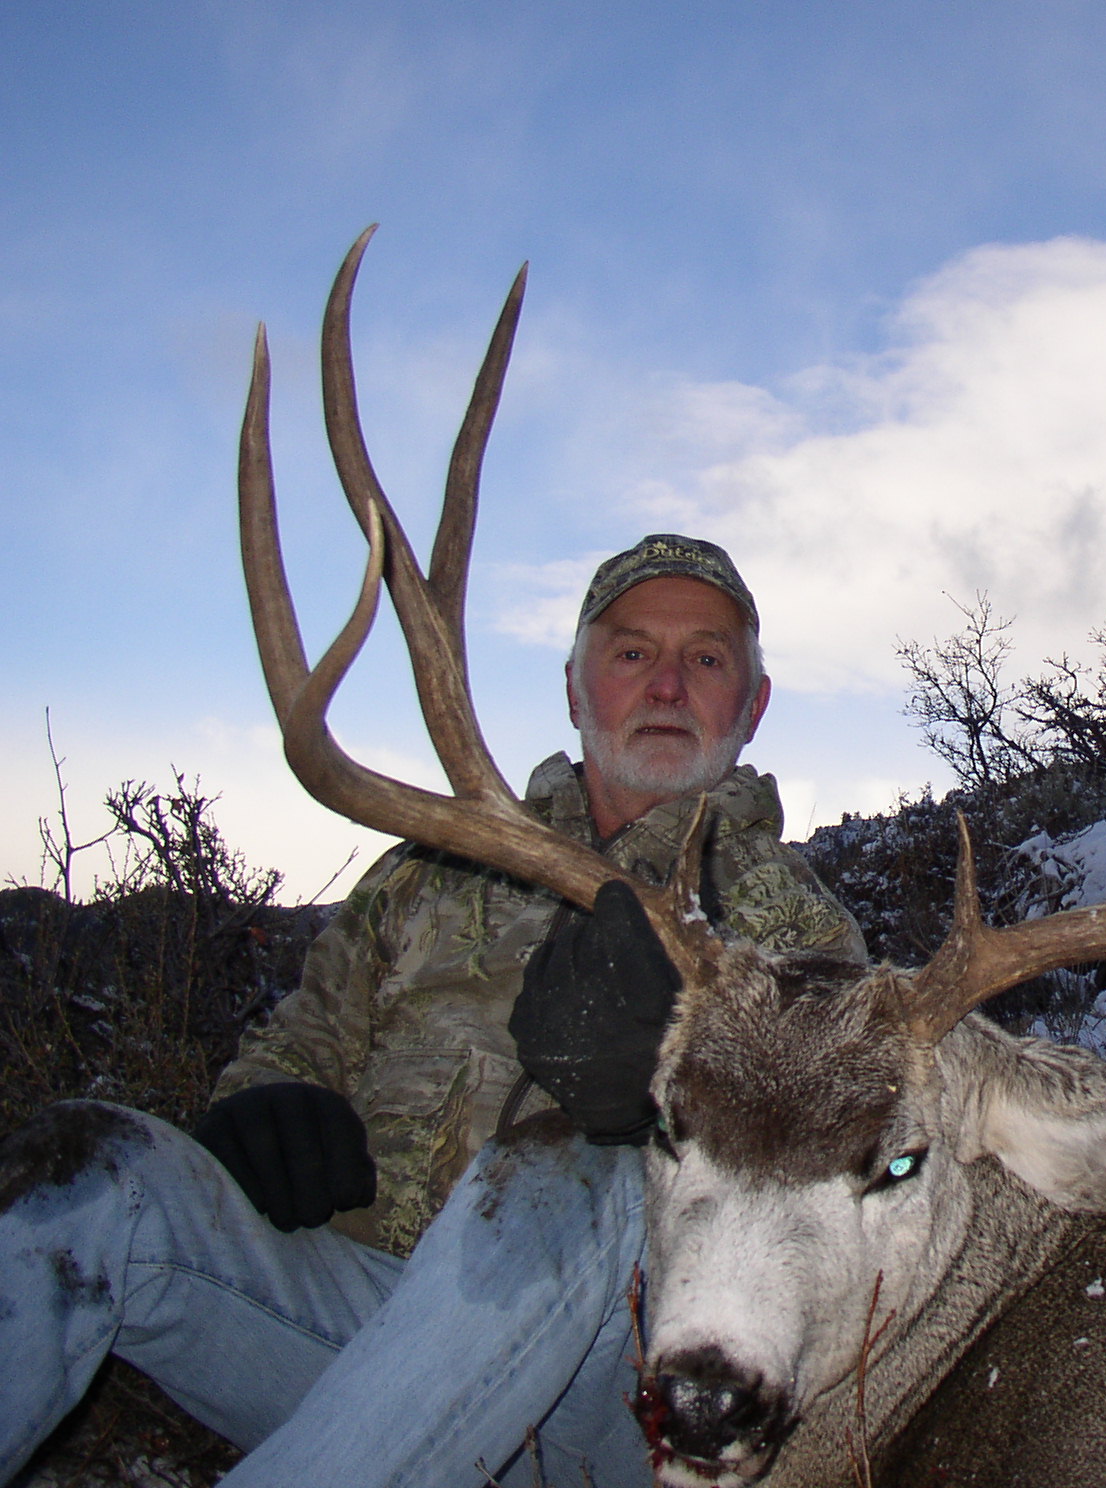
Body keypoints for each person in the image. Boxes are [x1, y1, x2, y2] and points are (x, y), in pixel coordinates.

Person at [0, 535, 864, 1488]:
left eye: (705, 658)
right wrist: (266, 1103)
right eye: (631, 653)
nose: (666, 686)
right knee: (93, 1169)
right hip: (353, 1339)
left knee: (572, 1169)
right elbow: (303, 1033)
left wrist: (662, 1095)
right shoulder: (434, 868)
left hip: (616, 1407)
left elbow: (830, 1161)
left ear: (754, 702)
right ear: (575, 689)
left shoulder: (799, 926)